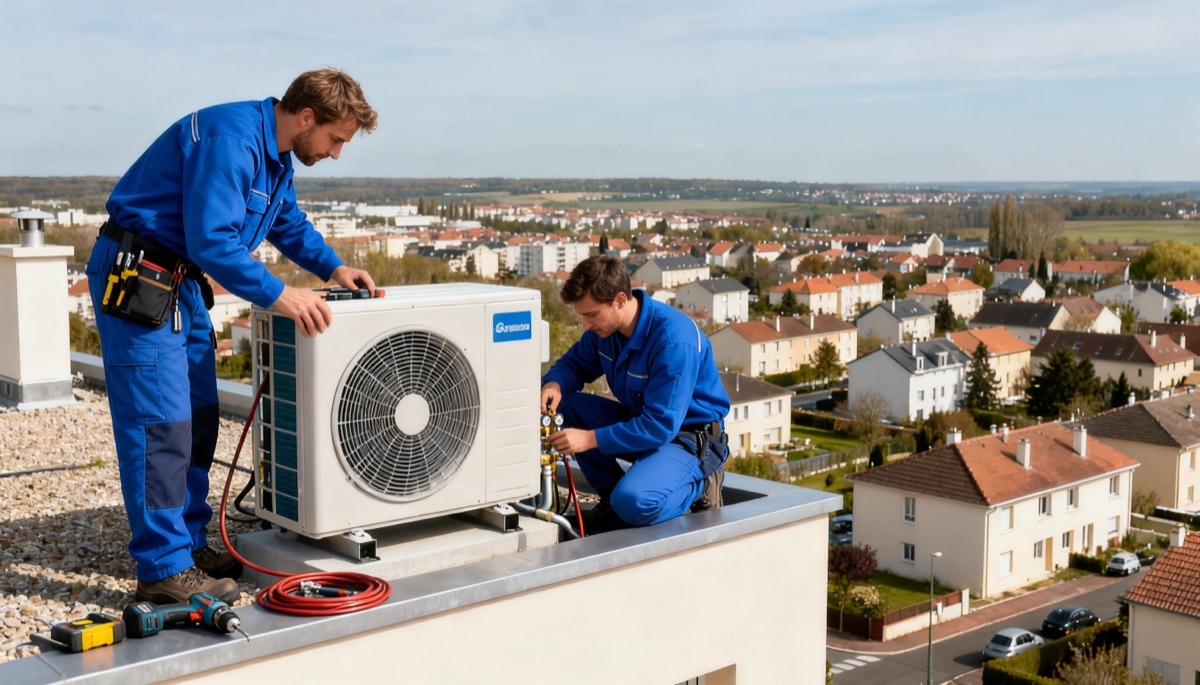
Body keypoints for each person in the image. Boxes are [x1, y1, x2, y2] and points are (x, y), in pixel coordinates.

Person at [86, 68, 378, 604]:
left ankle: (187, 543)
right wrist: (283, 296)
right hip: (142, 277)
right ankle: (162, 567)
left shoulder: (273, 156)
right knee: (160, 426)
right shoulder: (231, 139)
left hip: (179, 282)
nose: (337, 153)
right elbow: (212, 240)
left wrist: (333, 269)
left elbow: (285, 222)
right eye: (336, 140)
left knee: (196, 419)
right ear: (307, 116)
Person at [541, 256, 731, 529]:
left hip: (688, 440)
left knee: (634, 502)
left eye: (591, 314)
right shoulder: (605, 332)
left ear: (619, 300)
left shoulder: (673, 341)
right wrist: (554, 384)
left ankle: (698, 486)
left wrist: (589, 439)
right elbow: (574, 365)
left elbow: (660, 426)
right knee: (564, 405)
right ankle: (612, 498)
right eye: (581, 315)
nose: (586, 325)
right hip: (641, 423)